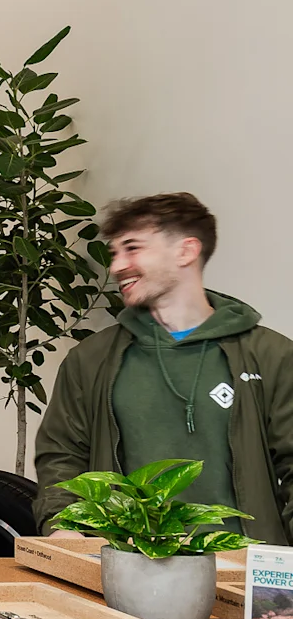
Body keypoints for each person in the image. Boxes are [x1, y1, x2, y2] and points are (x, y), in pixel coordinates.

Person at [35, 192, 293, 541]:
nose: (116, 266)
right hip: (122, 571)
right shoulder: (91, 358)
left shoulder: (271, 354)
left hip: (243, 572)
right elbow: (61, 458)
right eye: (115, 253)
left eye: (132, 248)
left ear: (186, 251)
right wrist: (63, 527)